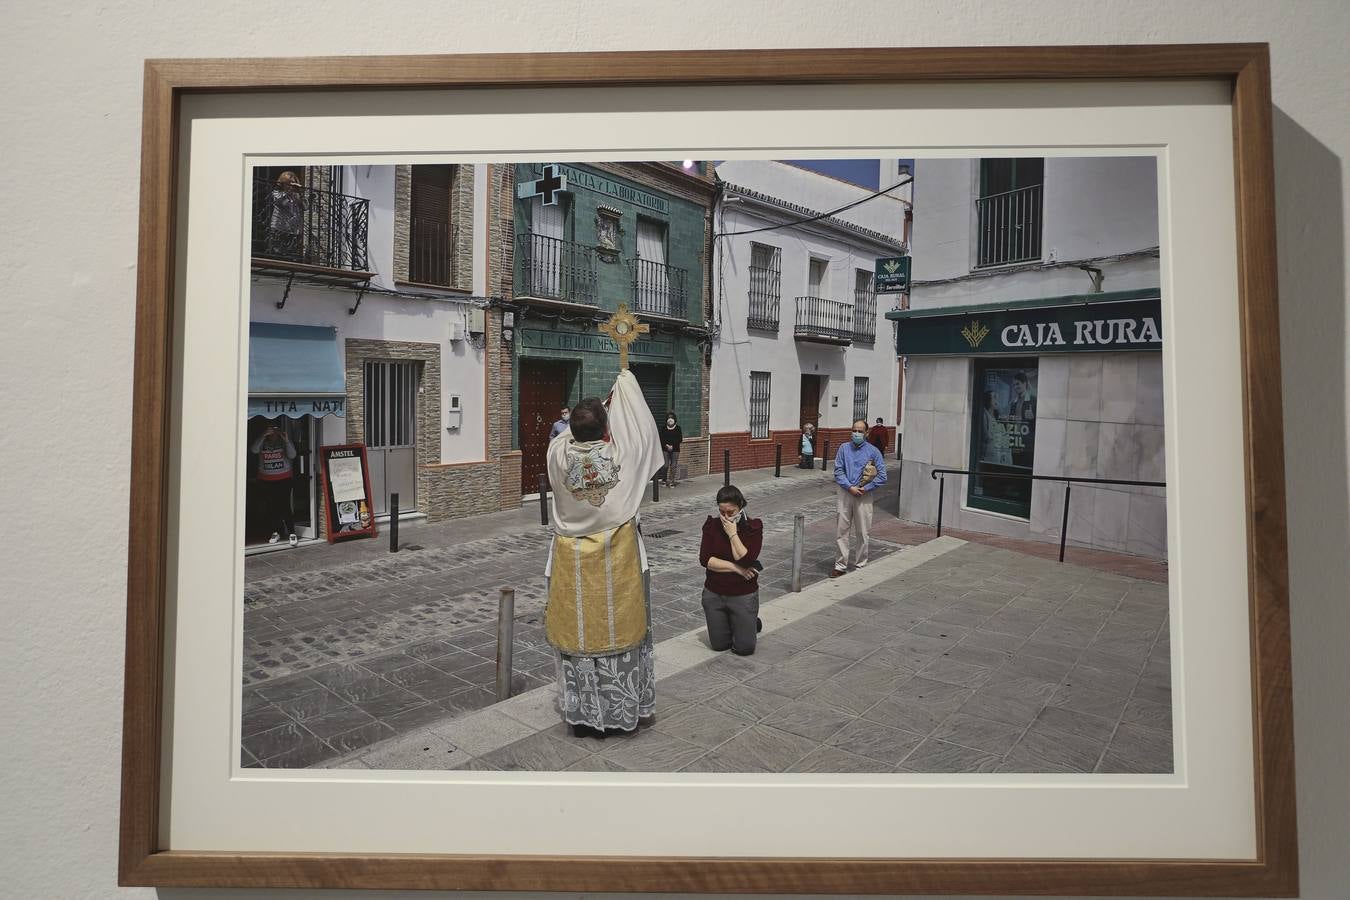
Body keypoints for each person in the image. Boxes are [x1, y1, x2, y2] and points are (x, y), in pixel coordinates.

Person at [543, 371, 663, 738]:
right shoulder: (621, 457)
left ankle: (584, 716)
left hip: (572, 556)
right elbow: (643, 430)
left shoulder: (558, 454)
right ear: (606, 429)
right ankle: (620, 712)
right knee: (616, 632)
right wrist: (624, 387)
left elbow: (571, 433)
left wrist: (597, 412)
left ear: (572, 428)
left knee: (580, 636)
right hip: (616, 554)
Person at [698, 485, 764, 656]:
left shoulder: (753, 527)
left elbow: (746, 559)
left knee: (744, 649)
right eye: (722, 512)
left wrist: (732, 534)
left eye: (731, 512)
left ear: (740, 507)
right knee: (719, 645)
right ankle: (736, 623)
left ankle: (750, 623)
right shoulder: (711, 525)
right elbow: (706, 559)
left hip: (742, 593)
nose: (726, 517)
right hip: (715, 592)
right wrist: (736, 569)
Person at [830, 419, 888, 577]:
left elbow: (882, 476)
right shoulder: (843, 448)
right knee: (841, 530)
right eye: (854, 430)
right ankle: (840, 565)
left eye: (860, 431)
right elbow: (838, 470)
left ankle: (861, 563)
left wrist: (865, 488)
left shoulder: (873, 451)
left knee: (863, 531)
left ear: (866, 433)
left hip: (864, 494)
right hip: (845, 492)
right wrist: (849, 487)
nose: (856, 433)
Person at [250, 421, 298, 547]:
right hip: (266, 478)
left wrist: (287, 440)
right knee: (272, 507)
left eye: (275, 429)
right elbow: (253, 450)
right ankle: (276, 532)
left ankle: (292, 533)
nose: (273, 432)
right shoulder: (262, 441)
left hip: (284, 477)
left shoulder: (283, 441)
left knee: (285, 505)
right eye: (270, 429)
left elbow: (293, 455)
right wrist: (262, 436)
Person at [267, 170, 304, 261]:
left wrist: (300, 193)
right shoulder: (276, 193)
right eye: (288, 183)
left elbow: (305, 207)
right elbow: (282, 202)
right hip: (279, 229)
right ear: (282, 183)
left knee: (292, 257)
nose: (291, 186)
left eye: (293, 184)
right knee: (278, 255)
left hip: (293, 230)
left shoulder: (295, 195)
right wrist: (289, 192)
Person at [659, 411, 683, 487]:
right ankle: (664, 480)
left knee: (673, 466)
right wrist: (667, 445)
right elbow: (661, 439)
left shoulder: (678, 428)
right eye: (669, 418)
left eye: (672, 418)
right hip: (665, 449)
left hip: (675, 449)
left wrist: (672, 445)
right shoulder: (663, 428)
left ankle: (672, 481)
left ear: (674, 420)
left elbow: (680, 439)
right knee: (665, 465)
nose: (670, 420)